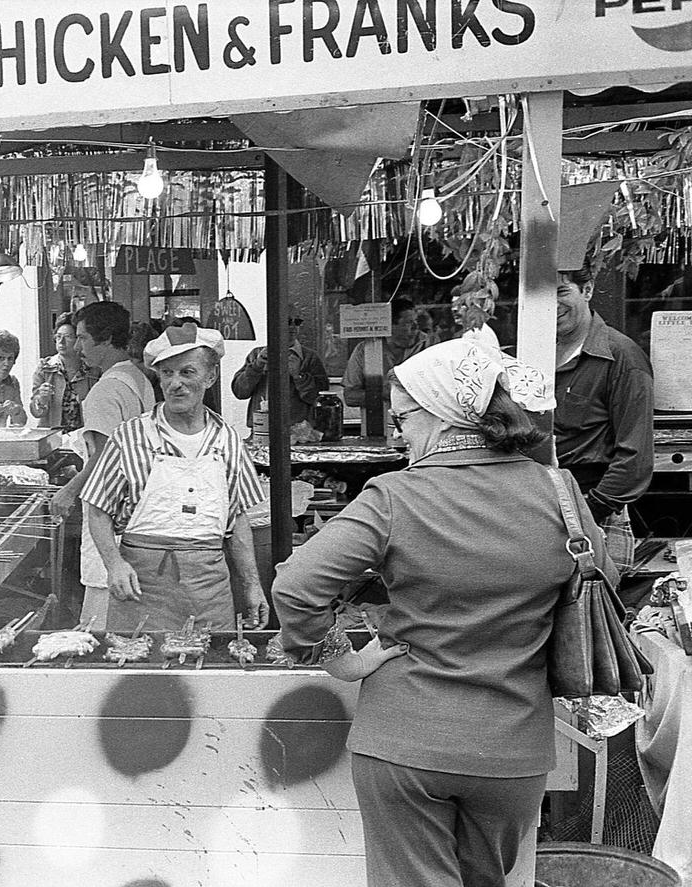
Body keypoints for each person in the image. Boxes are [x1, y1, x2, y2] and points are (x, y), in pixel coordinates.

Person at [273, 338, 603, 887]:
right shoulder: (559, 490)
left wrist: (341, 660)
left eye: (405, 419)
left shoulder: (394, 497)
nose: (401, 435)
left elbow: (295, 587)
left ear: (444, 416)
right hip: (513, 748)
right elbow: (601, 581)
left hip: (404, 740)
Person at [80, 323, 268, 632]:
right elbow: (97, 510)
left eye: (187, 372)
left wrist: (252, 585)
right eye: (167, 374)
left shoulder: (228, 441)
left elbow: (238, 521)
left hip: (210, 592)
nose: (175, 384)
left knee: (212, 670)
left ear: (210, 377)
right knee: (139, 673)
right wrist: (114, 564)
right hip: (141, 589)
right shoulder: (131, 436)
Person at [51, 303, 157, 628]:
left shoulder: (103, 391)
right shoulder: (138, 378)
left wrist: (68, 492)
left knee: (102, 613)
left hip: (109, 510)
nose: (78, 347)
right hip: (140, 507)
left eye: (83, 339)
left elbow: (102, 459)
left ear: (107, 338)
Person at [553, 267, 654, 575]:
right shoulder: (532, 352)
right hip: (544, 509)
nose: (552, 304)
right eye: (541, 295)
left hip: (596, 510)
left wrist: (590, 510)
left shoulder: (622, 356)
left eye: (561, 292)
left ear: (588, 290)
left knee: (598, 616)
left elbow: (635, 460)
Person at [230, 316, 330, 429]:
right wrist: (256, 367)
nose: (292, 326)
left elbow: (319, 399)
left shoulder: (310, 357)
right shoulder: (257, 354)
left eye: (297, 322)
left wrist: (299, 376)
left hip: (298, 431)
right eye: (287, 322)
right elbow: (240, 392)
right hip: (262, 429)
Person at [341, 298, 423, 407]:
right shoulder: (366, 350)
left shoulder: (427, 344)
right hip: (379, 420)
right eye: (408, 323)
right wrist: (386, 394)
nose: (415, 327)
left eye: (416, 321)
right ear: (391, 326)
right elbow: (350, 397)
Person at [29, 313, 94, 429]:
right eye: (58, 336)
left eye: (68, 336)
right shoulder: (45, 368)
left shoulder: (92, 369)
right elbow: (36, 412)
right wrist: (41, 399)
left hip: (83, 437)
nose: (61, 341)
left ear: (78, 339)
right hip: (53, 437)